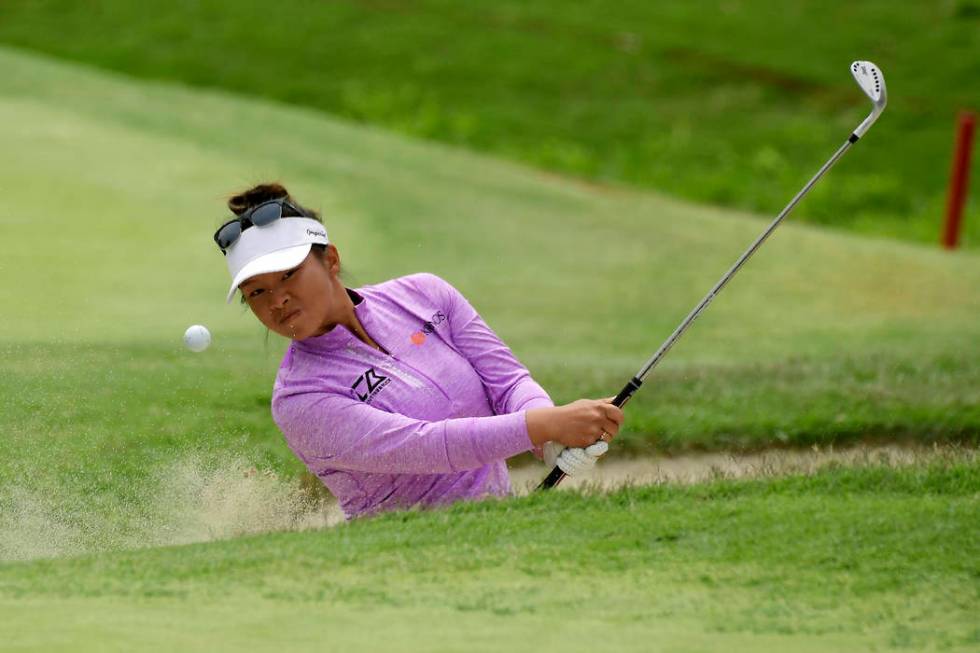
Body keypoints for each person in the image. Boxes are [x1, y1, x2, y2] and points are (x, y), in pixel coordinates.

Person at [215, 182, 625, 519]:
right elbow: (430, 446)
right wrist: (547, 425)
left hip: (502, 529)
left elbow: (507, 382)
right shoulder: (299, 399)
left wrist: (548, 438)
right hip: (402, 563)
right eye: (257, 292)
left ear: (332, 260)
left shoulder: (424, 294)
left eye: (289, 275)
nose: (277, 300)